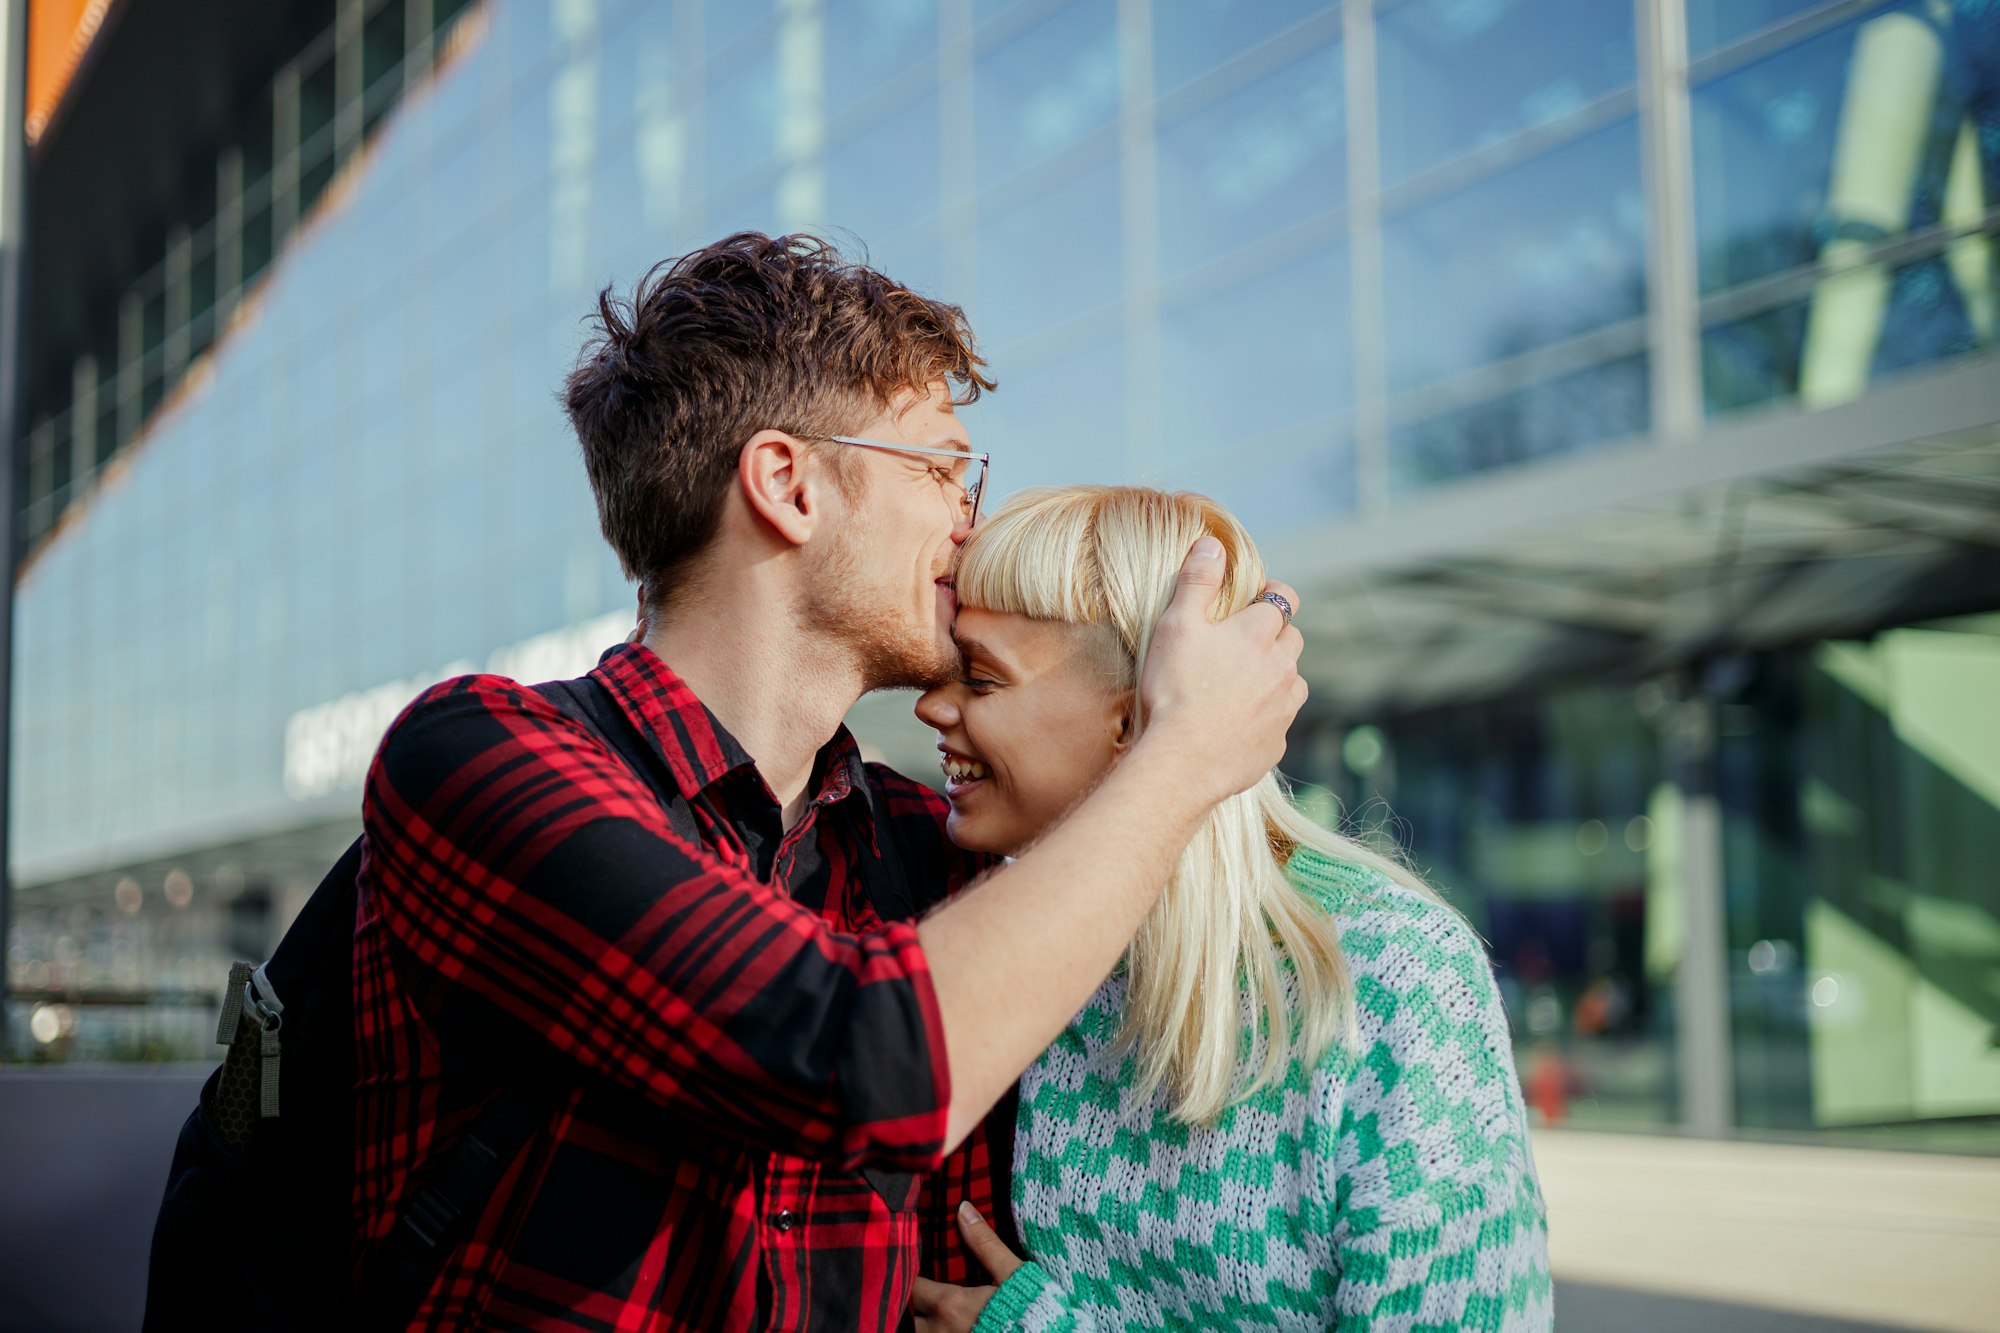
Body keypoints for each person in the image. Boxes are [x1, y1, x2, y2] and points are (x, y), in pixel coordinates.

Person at [354, 234, 1307, 1331]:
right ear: (786, 484)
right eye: (943, 467)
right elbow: (857, 1055)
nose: (970, 516)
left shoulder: (925, 847)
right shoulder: (479, 761)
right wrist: (1182, 751)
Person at [906, 486, 1552, 1332]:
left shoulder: (1394, 975)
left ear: (1135, 716)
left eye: (982, 680)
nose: (932, 707)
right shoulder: (1026, 943)